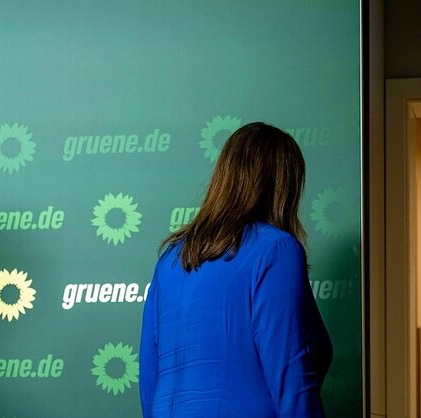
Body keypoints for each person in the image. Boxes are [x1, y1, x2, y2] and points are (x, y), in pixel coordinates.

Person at [139, 122, 333, 417]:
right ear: (285, 186)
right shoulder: (276, 249)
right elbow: (291, 377)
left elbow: (149, 379)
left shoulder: (170, 260)